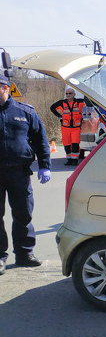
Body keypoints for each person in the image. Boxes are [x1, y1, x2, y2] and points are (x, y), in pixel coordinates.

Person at [0, 73, 51, 274]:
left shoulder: (25, 112)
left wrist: (45, 165)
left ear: (5, 88)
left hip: (19, 172)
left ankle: (24, 253)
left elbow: (40, 139)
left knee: (23, 214)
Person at [49, 86, 86, 165]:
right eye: (67, 93)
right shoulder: (62, 103)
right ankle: (69, 159)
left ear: (74, 94)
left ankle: (75, 160)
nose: (68, 95)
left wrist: (83, 118)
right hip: (65, 128)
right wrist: (60, 117)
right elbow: (52, 108)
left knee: (75, 144)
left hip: (76, 128)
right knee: (67, 144)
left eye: (70, 93)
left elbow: (89, 102)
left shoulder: (79, 102)